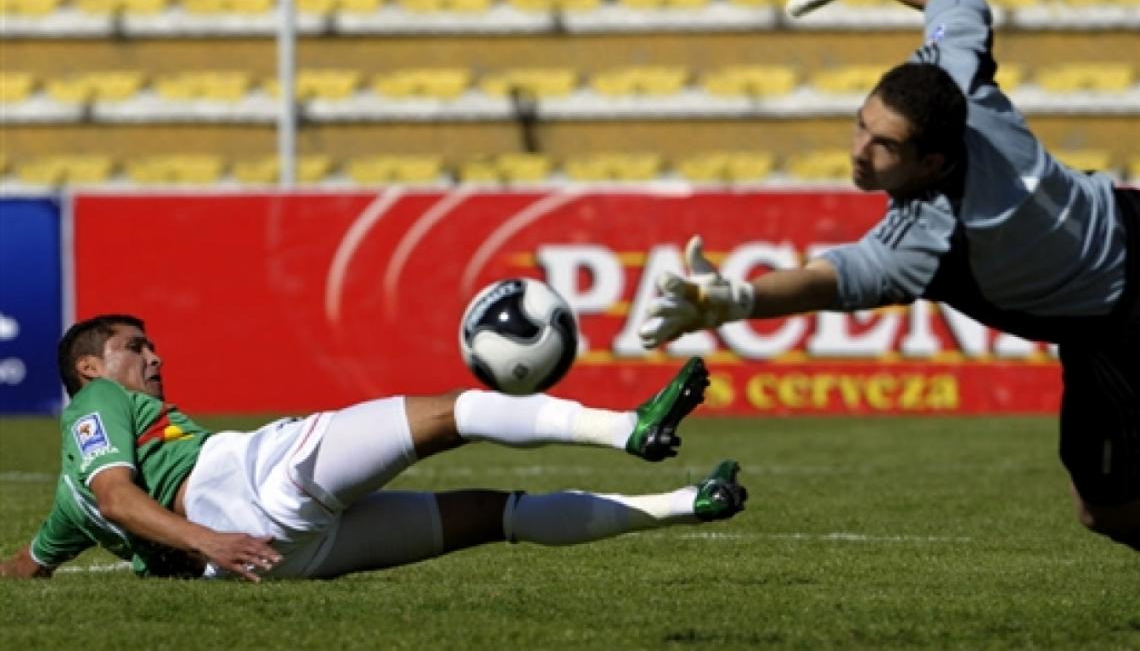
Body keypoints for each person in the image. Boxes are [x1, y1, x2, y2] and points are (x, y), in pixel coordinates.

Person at [638, 0, 1139, 551]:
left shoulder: (935, 235)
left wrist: (733, 301)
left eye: (885, 146)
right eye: (860, 125)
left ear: (932, 163)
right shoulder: (951, 81)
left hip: (1118, 324)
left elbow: (830, 280)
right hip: (1124, 227)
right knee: (1102, 510)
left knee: (1111, 514)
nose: (859, 153)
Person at [0, 314, 746, 580]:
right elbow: (117, 496)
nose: (154, 358)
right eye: (135, 348)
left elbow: (28, 566)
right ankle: (628, 428)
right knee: (460, 411)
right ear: (90, 369)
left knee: (494, 516)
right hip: (251, 490)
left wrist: (210, 550)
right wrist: (206, 539)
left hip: (278, 557)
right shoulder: (99, 403)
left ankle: (689, 503)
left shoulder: (65, 509)